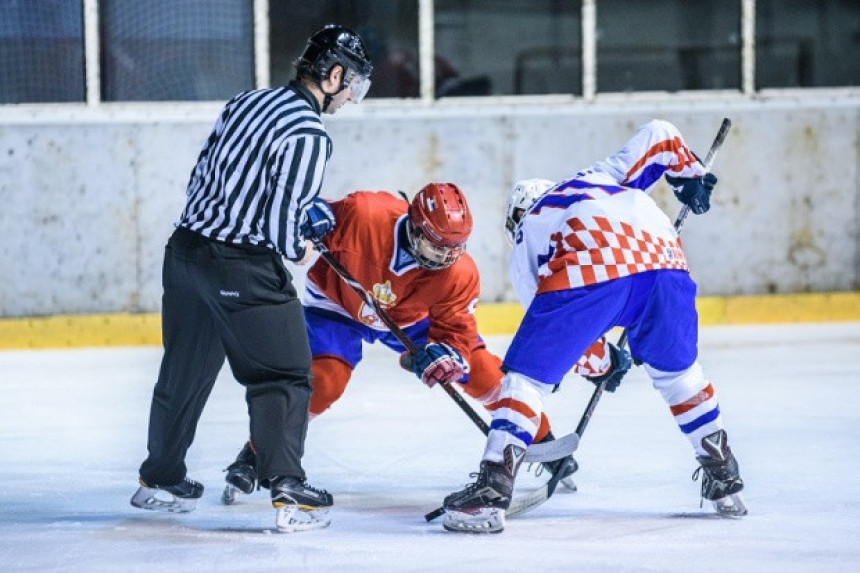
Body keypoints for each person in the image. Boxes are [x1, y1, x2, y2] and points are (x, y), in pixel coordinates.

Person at [220, 183, 634, 503]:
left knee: (485, 373)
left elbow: (454, 331)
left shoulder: (458, 273)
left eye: (455, 247)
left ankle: (540, 442)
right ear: (415, 226)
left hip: (413, 317)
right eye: (436, 244)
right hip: (338, 303)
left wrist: (445, 355)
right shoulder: (367, 212)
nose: (445, 256)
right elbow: (317, 214)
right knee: (323, 382)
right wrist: (312, 216)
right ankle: (257, 452)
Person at [442, 119, 747, 534]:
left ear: (518, 212)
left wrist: (603, 361)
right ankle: (723, 476)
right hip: (666, 263)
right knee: (680, 378)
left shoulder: (530, 228)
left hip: (592, 267)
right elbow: (660, 134)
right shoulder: (596, 178)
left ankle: (492, 490)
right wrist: (689, 175)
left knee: (526, 379)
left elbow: (556, 329)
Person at [129, 24, 373, 533]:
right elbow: (284, 229)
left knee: (185, 369)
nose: (351, 95)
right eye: (351, 83)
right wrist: (307, 238)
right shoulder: (309, 133)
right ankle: (288, 488)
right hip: (240, 264)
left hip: (185, 255)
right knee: (284, 373)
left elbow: (205, 174)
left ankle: (160, 479)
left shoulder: (246, 101)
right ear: (331, 75)